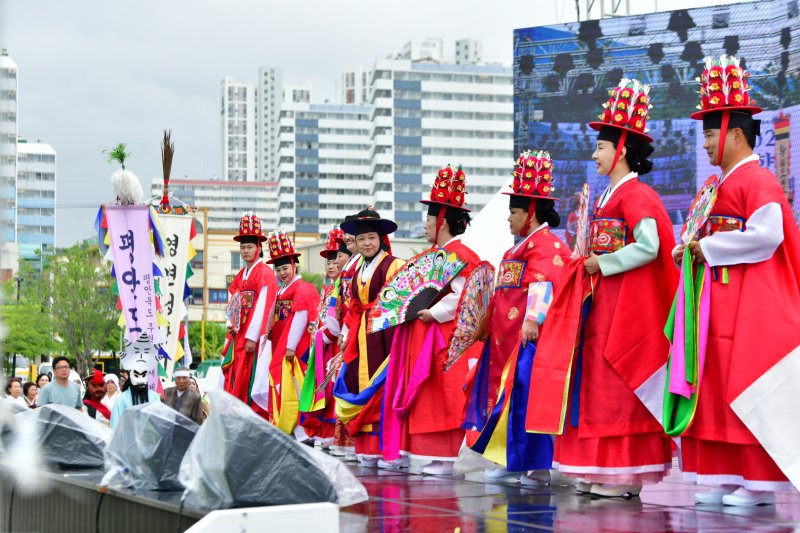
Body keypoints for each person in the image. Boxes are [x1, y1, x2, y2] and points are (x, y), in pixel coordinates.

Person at [529, 78, 677, 498]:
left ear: (622, 150)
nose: (594, 154)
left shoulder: (637, 196)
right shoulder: (608, 196)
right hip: (602, 301)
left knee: (616, 385)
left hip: (624, 305)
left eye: (601, 147)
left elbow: (649, 246)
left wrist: (602, 262)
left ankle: (625, 475)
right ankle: (600, 469)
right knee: (596, 384)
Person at [675, 55, 800, 506]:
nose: (705, 143)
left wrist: (706, 248)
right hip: (719, 300)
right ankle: (723, 475)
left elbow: (768, 236)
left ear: (735, 133)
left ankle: (761, 484)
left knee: (746, 385)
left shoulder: (759, 180)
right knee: (715, 386)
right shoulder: (716, 186)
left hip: (752, 303)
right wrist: (689, 249)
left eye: (709, 133)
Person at [463, 152, 570, 484]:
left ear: (531, 212)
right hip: (504, 337)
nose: (509, 218)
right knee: (508, 399)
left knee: (526, 396)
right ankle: (510, 461)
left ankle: (536, 467)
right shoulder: (519, 247)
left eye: (514, 212)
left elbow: (544, 282)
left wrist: (533, 319)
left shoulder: (548, 246)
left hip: (527, 337)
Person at [379, 165, 482, 475]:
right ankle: (434, 455)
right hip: (427, 334)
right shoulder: (433, 256)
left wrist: (433, 312)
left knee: (447, 393)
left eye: (429, 219)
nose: (425, 225)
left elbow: (464, 297)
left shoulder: (462, 255)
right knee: (429, 393)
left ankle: (449, 456)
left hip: (447, 336)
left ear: (443, 222)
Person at [334, 207, 405, 466]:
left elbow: (401, 304)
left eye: (371, 238)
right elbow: (352, 305)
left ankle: (386, 447)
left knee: (383, 385)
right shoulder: (357, 270)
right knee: (358, 383)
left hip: (384, 335)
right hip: (360, 334)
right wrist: (345, 333)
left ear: (381, 239)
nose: (366, 243)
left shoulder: (394, 265)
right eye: (361, 239)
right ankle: (366, 447)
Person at [265, 229, 320, 435]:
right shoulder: (282, 290)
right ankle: (290, 427)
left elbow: (301, 317)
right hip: (282, 345)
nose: (282, 273)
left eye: (285, 268)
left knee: (296, 388)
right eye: (278, 270)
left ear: (294, 266)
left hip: (295, 350)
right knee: (285, 387)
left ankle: (302, 430)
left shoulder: (302, 288)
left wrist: (290, 347)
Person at [223, 213, 279, 413]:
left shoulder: (264, 272)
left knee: (250, 374)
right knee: (237, 372)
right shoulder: (240, 274)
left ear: (259, 248)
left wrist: (253, 337)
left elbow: (264, 305)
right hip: (239, 333)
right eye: (243, 247)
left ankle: (253, 414)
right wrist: (231, 323)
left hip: (252, 337)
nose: (245, 251)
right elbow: (233, 299)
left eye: (249, 247)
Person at [300, 228, 346, 446]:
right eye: (328, 261)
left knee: (332, 388)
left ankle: (331, 434)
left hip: (335, 344)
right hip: (324, 345)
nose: (331, 265)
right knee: (324, 389)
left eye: (335, 259)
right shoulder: (327, 289)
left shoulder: (342, 286)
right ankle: (322, 432)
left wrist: (322, 335)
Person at [330, 217, 360, 460]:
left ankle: (357, 442)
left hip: (358, 329)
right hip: (347, 329)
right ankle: (346, 441)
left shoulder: (359, 266)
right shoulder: (351, 268)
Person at [112, 333, 162, 429]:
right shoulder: (121, 400)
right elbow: (115, 427)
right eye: (136, 375)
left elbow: (158, 424)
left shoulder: (154, 397)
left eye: (143, 374)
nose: (140, 380)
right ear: (130, 376)